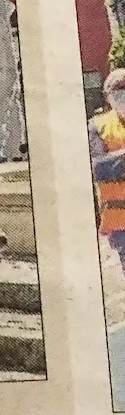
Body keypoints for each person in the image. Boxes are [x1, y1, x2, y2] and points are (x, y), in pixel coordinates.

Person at [89, 68, 125, 271]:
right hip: (120, 221)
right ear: (107, 96)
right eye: (118, 89)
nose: (123, 93)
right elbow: (95, 166)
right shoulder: (98, 126)